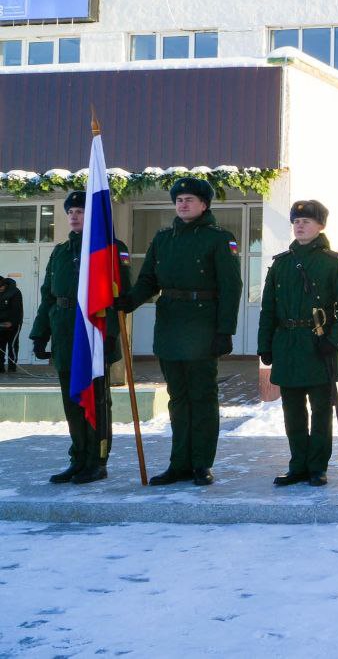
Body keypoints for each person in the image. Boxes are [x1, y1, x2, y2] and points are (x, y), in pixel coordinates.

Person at [116, 177, 241, 486]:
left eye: (190, 200)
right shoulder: (163, 239)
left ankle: (201, 463)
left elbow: (231, 287)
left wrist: (225, 330)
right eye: (179, 200)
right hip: (170, 326)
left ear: (204, 205)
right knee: (178, 398)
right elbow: (148, 280)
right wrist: (128, 302)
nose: (183, 204)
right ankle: (179, 463)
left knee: (202, 397)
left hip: (202, 327)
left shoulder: (219, 238)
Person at [28, 191, 133, 484]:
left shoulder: (110, 249)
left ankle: (97, 460)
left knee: (96, 400)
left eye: (80, 211)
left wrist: (110, 334)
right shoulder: (60, 252)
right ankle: (78, 458)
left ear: (93, 216)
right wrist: (40, 334)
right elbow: (49, 296)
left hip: (94, 333)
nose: (74, 216)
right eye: (71, 212)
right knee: (73, 398)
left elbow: (120, 298)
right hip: (64, 333)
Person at [258, 200, 338, 487]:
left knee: (321, 410)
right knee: (292, 411)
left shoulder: (334, 262)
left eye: (307, 221)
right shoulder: (281, 263)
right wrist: (265, 345)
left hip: (318, 345)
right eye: (296, 221)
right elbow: (268, 309)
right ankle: (298, 465)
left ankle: (317, 466)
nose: (300, 226)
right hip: (287, 346)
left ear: (320, 226)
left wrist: (334, 341)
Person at [0, 276, 21, 372]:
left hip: (13, 325)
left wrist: (12, 322)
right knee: (1, 346)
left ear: (4, 285)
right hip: (1, 323)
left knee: (12, 346)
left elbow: (17, 310)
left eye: (1, 287)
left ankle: (12, 367)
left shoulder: (15, 292)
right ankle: (0, 368)